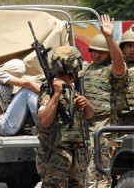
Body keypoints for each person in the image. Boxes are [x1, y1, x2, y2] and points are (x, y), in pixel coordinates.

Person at [80, 15, 127, 188]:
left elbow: (119, 63)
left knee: (99, 173)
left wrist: (109, 38)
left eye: (101, 51)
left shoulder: (111, 70)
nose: (96, 55)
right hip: (85, 126)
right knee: (86, 172)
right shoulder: (87, 69)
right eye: (94, 51)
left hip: (104, 126)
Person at [36, 45, 94, 187]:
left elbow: (89, 116)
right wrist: (56, 94)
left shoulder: (72, 88)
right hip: (56, 154)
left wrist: (86, 105)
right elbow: (44, 121)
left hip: (76, 154)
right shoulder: (48, 90)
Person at [0, 58, 40, 136]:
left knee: (28, 90)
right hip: (2, 126)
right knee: (26, 92)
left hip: (3, 123)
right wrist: (44, 93)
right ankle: (43, 124)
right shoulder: (0, 74)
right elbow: (27, 83)